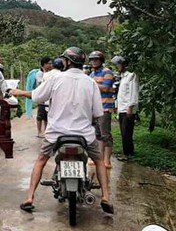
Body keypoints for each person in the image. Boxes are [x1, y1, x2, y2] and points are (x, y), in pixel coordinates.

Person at [9, 47, 114, 214]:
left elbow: (37, 96)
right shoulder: (91, 82)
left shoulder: (56, 78)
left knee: (41, 160)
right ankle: (106, 197)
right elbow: (97, 113)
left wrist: (20, 92)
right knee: (99, 161)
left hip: (56, 133)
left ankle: (30, 197)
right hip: (84, 135)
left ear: (67, 62)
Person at [88, 51, 115, 170]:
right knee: (97, 135)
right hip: (95, 108)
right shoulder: (92, 75)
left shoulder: (107, 72)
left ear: (101, 60)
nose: (94, 61)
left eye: (96, 59)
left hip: (105, 107)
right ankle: (99, 159)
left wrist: (91, 84)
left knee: (106, 135)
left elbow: (106, 88)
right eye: (92, 59)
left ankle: (107, 161)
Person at [112, 56, 139, 160]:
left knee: (127, 132)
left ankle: (128, 154)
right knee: (124, 132)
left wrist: (130, 108)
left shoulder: (132, 76)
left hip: (128, 109)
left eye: (119, 64)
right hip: (122, 108)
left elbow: (133, 93)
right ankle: (127, 152)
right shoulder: (123, 76)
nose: (117, 66)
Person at [35, 57, 53, 138]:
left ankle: (46, 131)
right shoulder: (40, 73)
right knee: (40, 116)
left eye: (51, 63)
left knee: (46, 116)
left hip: (48, 98)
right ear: (44, 64)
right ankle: (39, 132)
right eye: (49, 63)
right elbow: (41, 84)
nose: (50, 65)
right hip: (42, 98)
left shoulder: (51, 73)